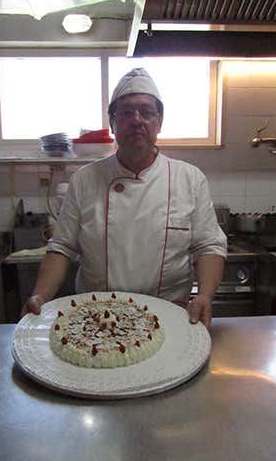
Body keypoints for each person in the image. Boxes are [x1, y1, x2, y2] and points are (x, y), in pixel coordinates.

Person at [21, 68, 227, 328]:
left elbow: (209, 246)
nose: (137, 120)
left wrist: (205, 295)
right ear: (113, 122)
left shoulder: (189, 179)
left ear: (159, 122)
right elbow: (62, 248)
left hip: (168, 316)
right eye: (127, 112)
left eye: (146, 112)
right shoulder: (84, 179)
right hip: (98, 318)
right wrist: (40, 296)